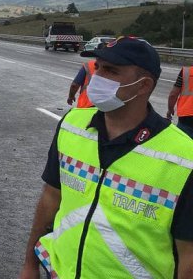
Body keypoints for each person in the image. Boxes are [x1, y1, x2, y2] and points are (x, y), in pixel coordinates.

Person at [19, 36, 193, 279]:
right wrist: (29, 264)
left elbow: (188, 256)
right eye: (98, 67)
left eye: (111, 71)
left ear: (144, 86)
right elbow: (50, 198)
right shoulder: (71, 124)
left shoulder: (184, 157)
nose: (97, 77)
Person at [167, 66, 193, 139]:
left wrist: (170, 110)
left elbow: (173, 94)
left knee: (182, 144)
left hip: (187, 116)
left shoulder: (186, 71)